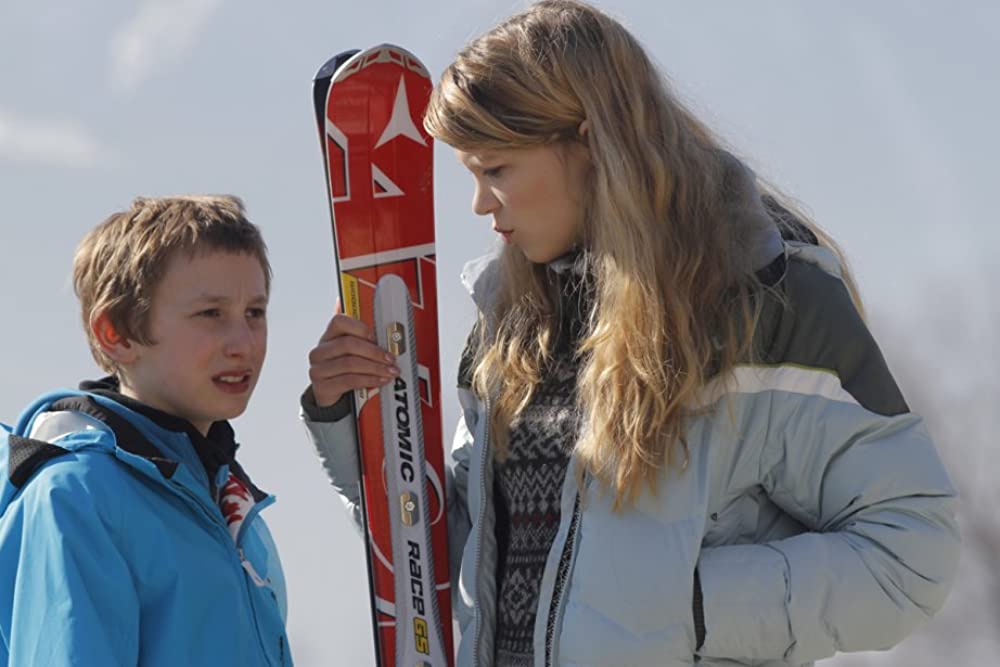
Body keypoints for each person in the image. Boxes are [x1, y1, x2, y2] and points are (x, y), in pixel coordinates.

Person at [300, 2, 960, 665]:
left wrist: (692, 607)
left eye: (495, 169)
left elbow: (910, 551)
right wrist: (363, 424)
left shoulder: (763, 303)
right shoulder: (512, 325)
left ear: (587, 143)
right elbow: (461, 560)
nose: (479, 204)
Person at [0, 195, 292, 665]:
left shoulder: (229, 504)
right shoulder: (77, 497)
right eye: (211, 314)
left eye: (255, 312)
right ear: (116, 333)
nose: (244, 343)